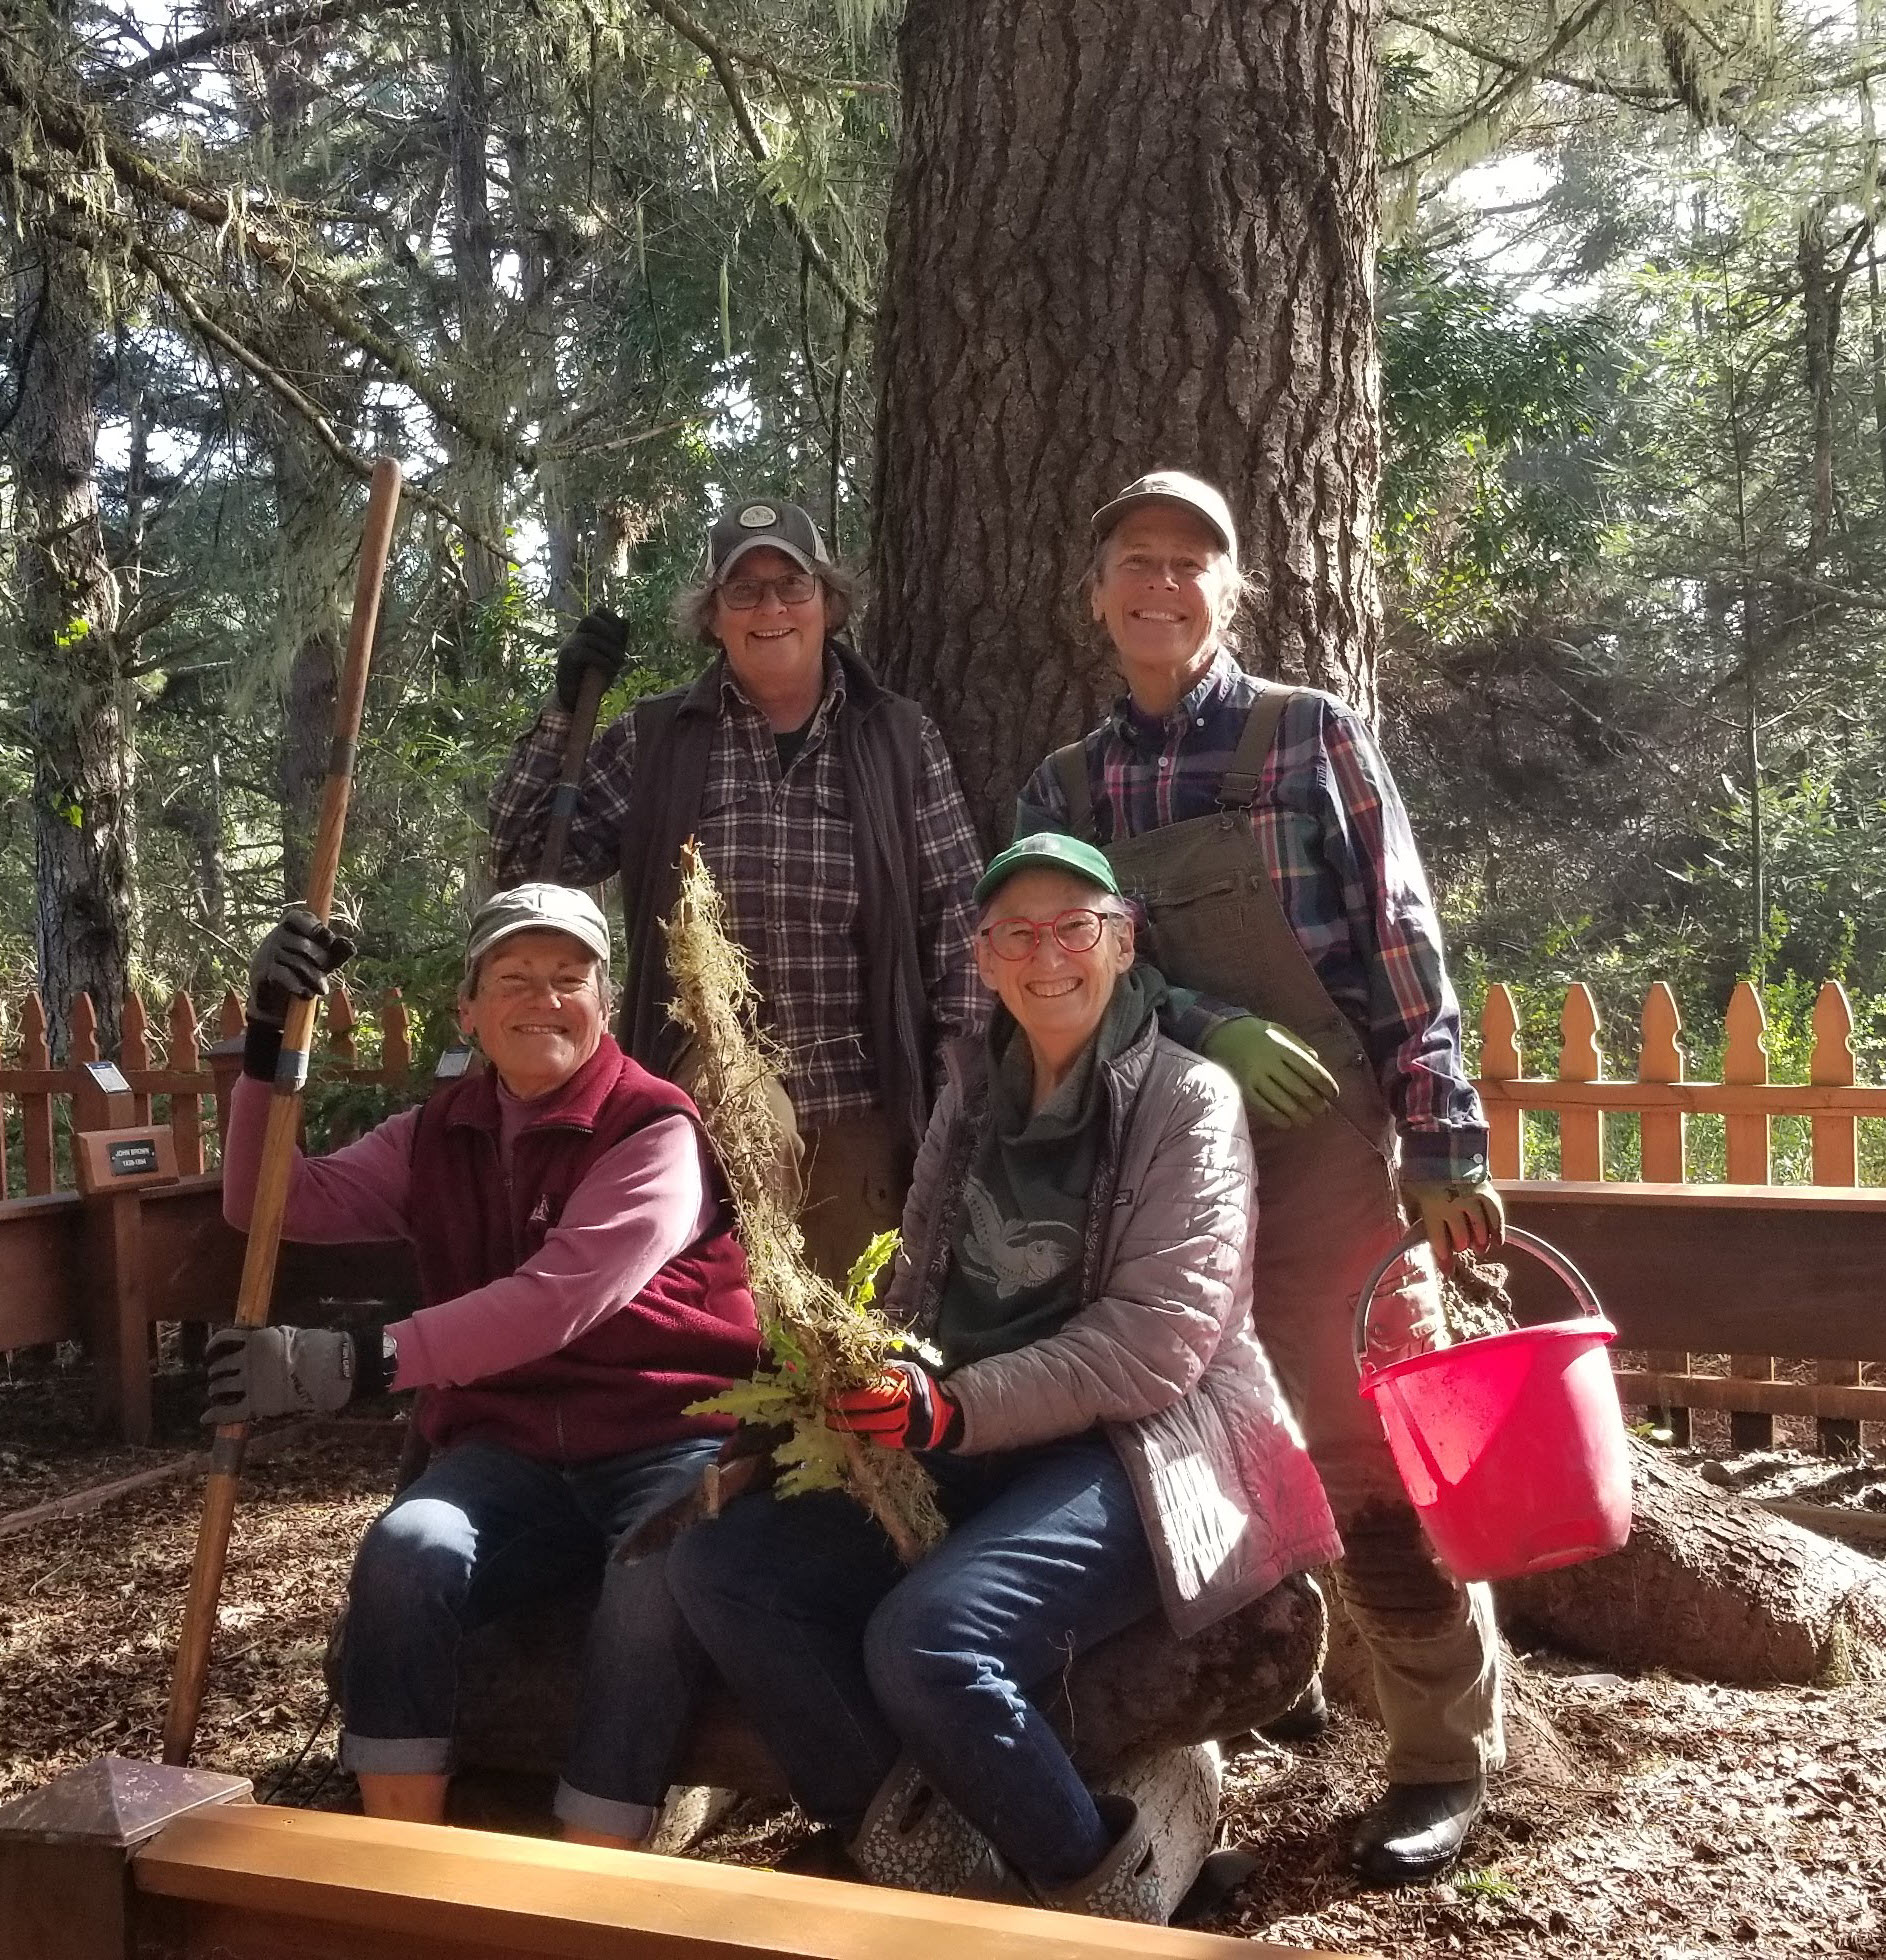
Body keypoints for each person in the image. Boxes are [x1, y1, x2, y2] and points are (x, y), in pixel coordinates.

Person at [662, 833, 1341, 1923]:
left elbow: (1155, 1342)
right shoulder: (971, 1097)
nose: (1046, 955)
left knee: (931, 1640)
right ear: (982, 958)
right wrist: (862, 1370)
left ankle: (1090, 1894)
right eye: (1015, 934)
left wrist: (950, 1405)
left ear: (1121, 945)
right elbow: (918, 1285)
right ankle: (914, 1861)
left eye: (1074, 928)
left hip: (1136, 1452)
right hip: (962, 1436)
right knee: (724, 1570)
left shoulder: (1188, 1099)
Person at [1013, 469, 1507, 1885]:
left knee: (1366, 1446)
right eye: (1135, 563)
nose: (1161, 586)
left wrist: (1443, 1140)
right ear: (1095, 593)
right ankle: (1243, 1696)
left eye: (1190, 564)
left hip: (1326, 1151)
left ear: (1228, 592)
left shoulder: (1310, 737)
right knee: (1170, 1445)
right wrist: (1197, 1017)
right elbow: (1054, 967)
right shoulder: (1063, 786)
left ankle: (1437, 1756)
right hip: (1148, 1153)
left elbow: (1402, 940)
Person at [203, 883, 759, 1845]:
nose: (542, 998)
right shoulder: (437, 1131)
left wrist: (362, 1361)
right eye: (513, 977)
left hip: (668, 1438)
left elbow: (562, 1295)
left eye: (568, 978)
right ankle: (403, 1856)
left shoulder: (654, 1130)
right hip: (509, 1457)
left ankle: (594, 1874)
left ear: (604, 1003)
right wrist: (265, 1043)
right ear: (469, 1010)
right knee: (406, 1552)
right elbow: (266, 1201)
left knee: (648, 1585)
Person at [488, 499, 985, 1282]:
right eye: (743, 592)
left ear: (830, 604)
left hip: (865, 1109)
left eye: (791, 585)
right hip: (702, 1102)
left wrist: (962, 1083)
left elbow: (958, 915)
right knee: (729, 1353)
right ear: (712, 619)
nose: (771, 608)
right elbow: (522, 861)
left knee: (852, 1361)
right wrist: (561, 712)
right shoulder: (658, 743)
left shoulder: (898, 741)